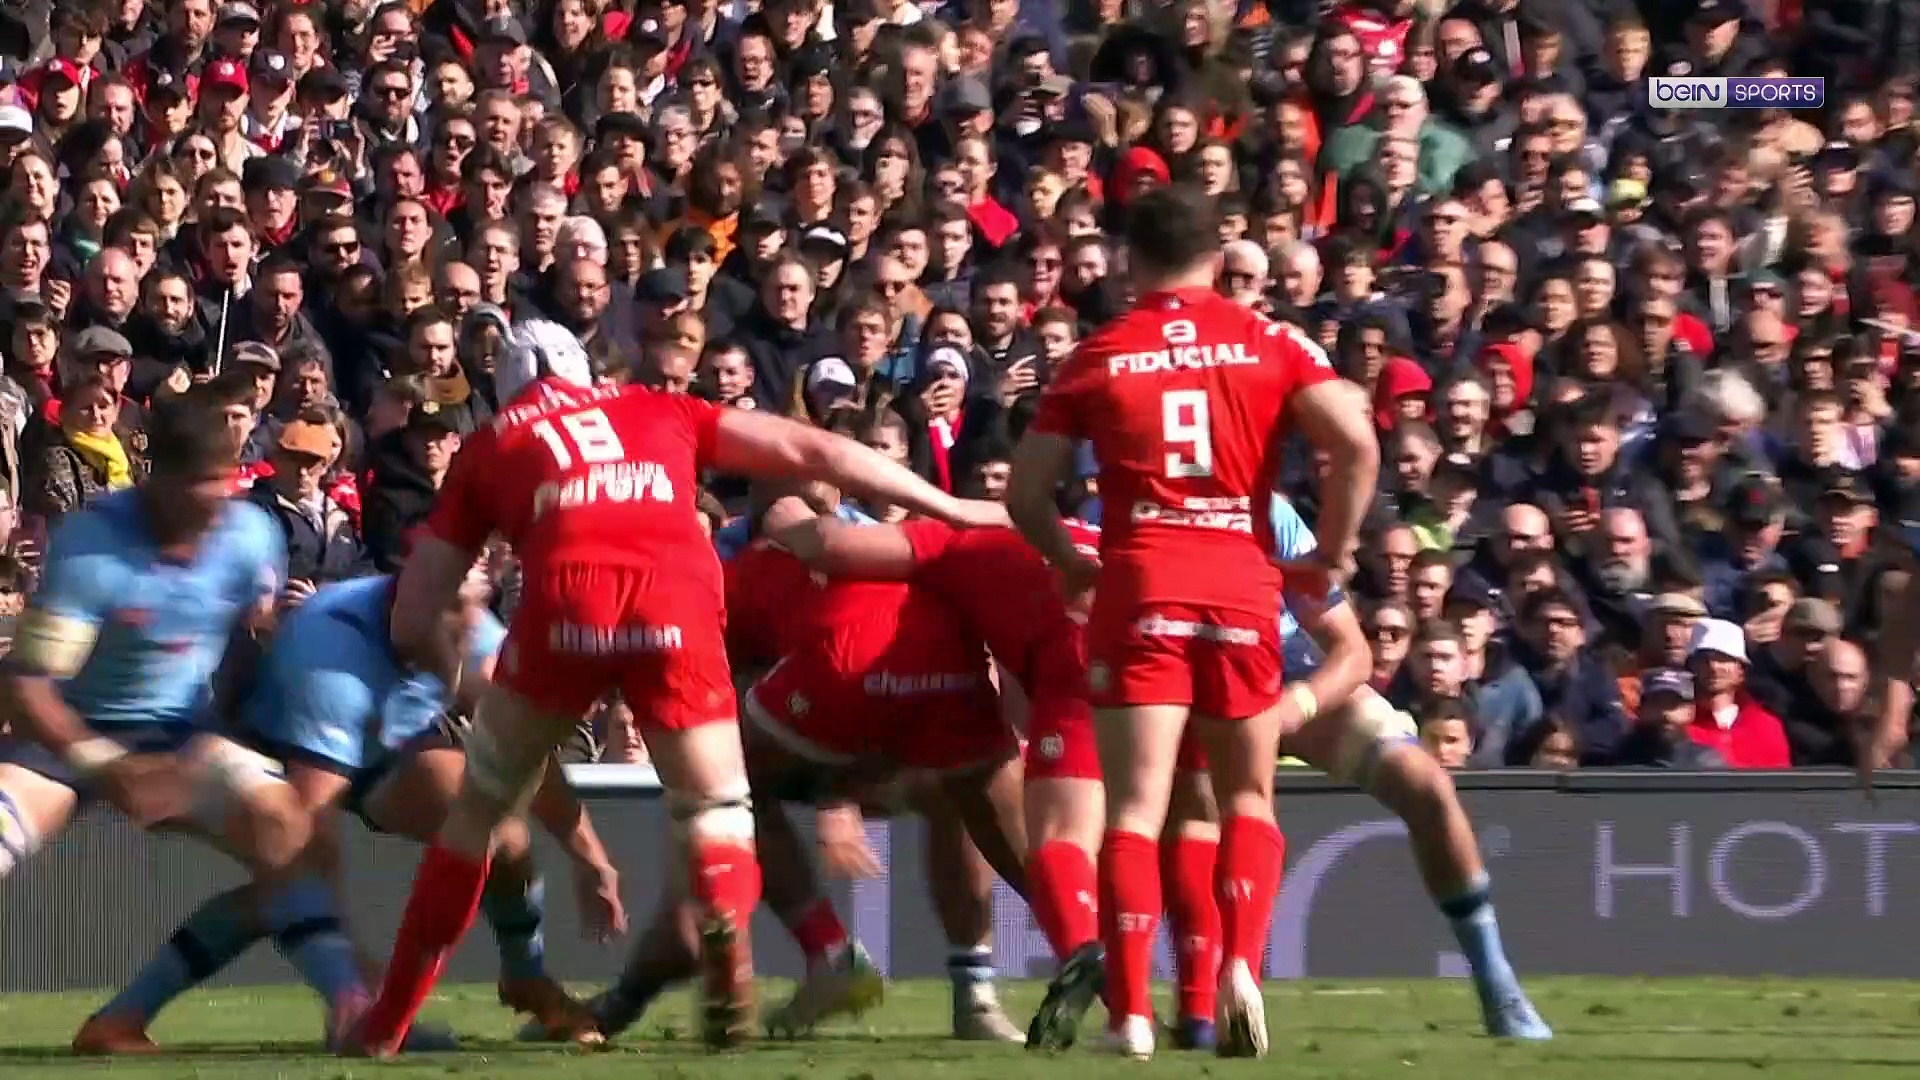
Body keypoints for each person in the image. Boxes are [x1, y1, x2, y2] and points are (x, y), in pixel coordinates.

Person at [346, 320, 1006, 1057]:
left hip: (567, 598)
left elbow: (413, 612)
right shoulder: (659, 406)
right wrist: (951, 508)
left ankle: (384, 1027)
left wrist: (457, 660)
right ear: (583, 368)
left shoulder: (494, 441)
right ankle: (729, 937)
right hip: (675, 597)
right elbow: (812, 448)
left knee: (478, 815)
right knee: (717, 811)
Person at [1006, 185, 1378, 1060]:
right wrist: (1333, 548)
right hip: (1240, 587)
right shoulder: (1271, 341)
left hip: (1141, 584)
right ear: (1220, 255)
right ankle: (1240, 968)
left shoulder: (1099, 353)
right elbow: (1356, 443)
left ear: (1131, 260)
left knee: (1135, 810)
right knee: (1246, 795)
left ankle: (1132, 1017)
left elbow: (1025, 492)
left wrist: (1067, 562)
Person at [81, 572, 624, 1047]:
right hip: (265, 751)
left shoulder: (466, 623)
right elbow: (308, 826)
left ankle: (525, 975)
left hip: (380, 745)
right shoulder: (333, 660)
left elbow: (523, 749)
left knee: (500, 828)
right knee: (296, 878)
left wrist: (591, 858)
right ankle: (124, 1017)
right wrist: (356, 988)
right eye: (455, 638)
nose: (468, 647)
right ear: (415, 620)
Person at [0, 391, 357, 1051]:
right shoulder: (91, 544)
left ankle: (353, 1013)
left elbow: (263, 622)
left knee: (293, 831)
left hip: (180, 735)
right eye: (187, 505)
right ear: (153, 480)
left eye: (216, 502)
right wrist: (107, 765)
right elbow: (26, 688)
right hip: (67, 735)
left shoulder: (252, 534)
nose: (202, 530)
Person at [1154, 497, 1551, 1048]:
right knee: (1197, 806)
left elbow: (1353, 653)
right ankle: (1198, 1007)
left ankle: (1496, 982)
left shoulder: (1269, 510)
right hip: (1189, 686)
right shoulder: (1132, 499)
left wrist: (1299, 706)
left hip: (1293, 679)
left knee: (1427, 785)